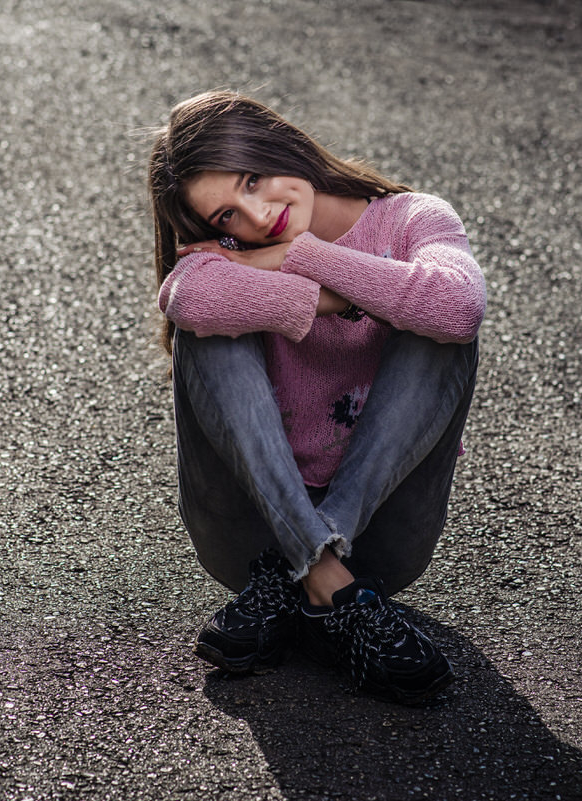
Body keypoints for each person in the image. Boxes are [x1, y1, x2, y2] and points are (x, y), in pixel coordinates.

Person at [147, 90, 484, 705]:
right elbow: (187, 299)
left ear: (283, 145)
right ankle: (334, 586)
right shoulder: (235, 255)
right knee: (208, 334)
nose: (255, 217)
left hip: (380, 531)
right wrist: (341, 297)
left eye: (254, 179)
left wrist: (300, 256)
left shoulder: (412, 218)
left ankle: (308, 569)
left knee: (439, 330)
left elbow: (458, 307)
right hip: (249, 533)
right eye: (225, 217)